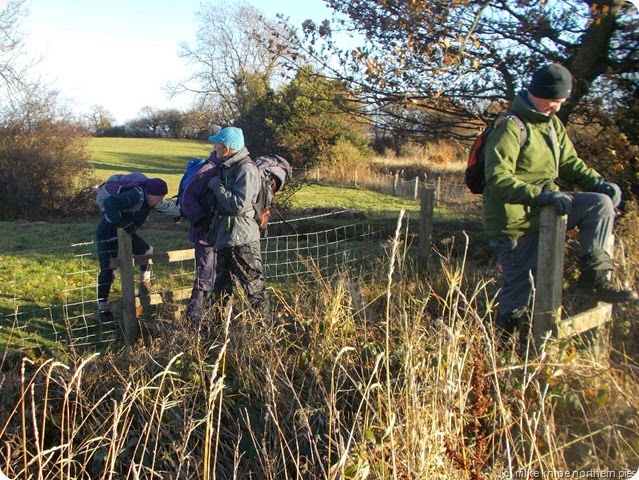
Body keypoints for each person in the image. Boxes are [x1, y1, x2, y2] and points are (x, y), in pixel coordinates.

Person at [482, 63, 638, 340]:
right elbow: (498, 179)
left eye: (561, 103)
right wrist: (541, 196)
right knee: (521, 286)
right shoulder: (509, 127)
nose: (557, 108)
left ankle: (594, 278)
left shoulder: (553, 125)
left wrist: (598, 183)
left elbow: (569, 163)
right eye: (554, 102)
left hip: (545, 211)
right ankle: (507, 346)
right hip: (513, 222)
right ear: (537, 93)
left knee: (600, 204)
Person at [205, 127, 272, 323]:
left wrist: (216, 186)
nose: (214, 146)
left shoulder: (246, 169)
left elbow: (237, 205)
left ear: (226, 148)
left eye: (217, 143)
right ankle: (218, 333)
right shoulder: (227, 166)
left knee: (254, 287)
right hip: (226, 236)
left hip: (242, 238)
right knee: (221, 288)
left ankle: (265, 333)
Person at [95, 177, 180, 327]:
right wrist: (122, 223)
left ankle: (144, 283)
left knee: (146, 250)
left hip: (126, 234)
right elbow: (110, 203)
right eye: (157, 198)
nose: (159, 201)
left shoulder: (151, 200)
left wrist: (188, 212)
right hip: (108, 233)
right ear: (149, 192)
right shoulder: (136, 195)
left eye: (162, 198)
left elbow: (171, 209)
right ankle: (102, 310)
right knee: (108, 270)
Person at [179, 151, 221, 325]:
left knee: (214, 271)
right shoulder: (208, 170)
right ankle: (194, 314)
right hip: (205, 232)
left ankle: (209, 311)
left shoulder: (219, 168)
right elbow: (188, 198)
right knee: (205, 270)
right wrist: (202, 221)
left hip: (216, 231)